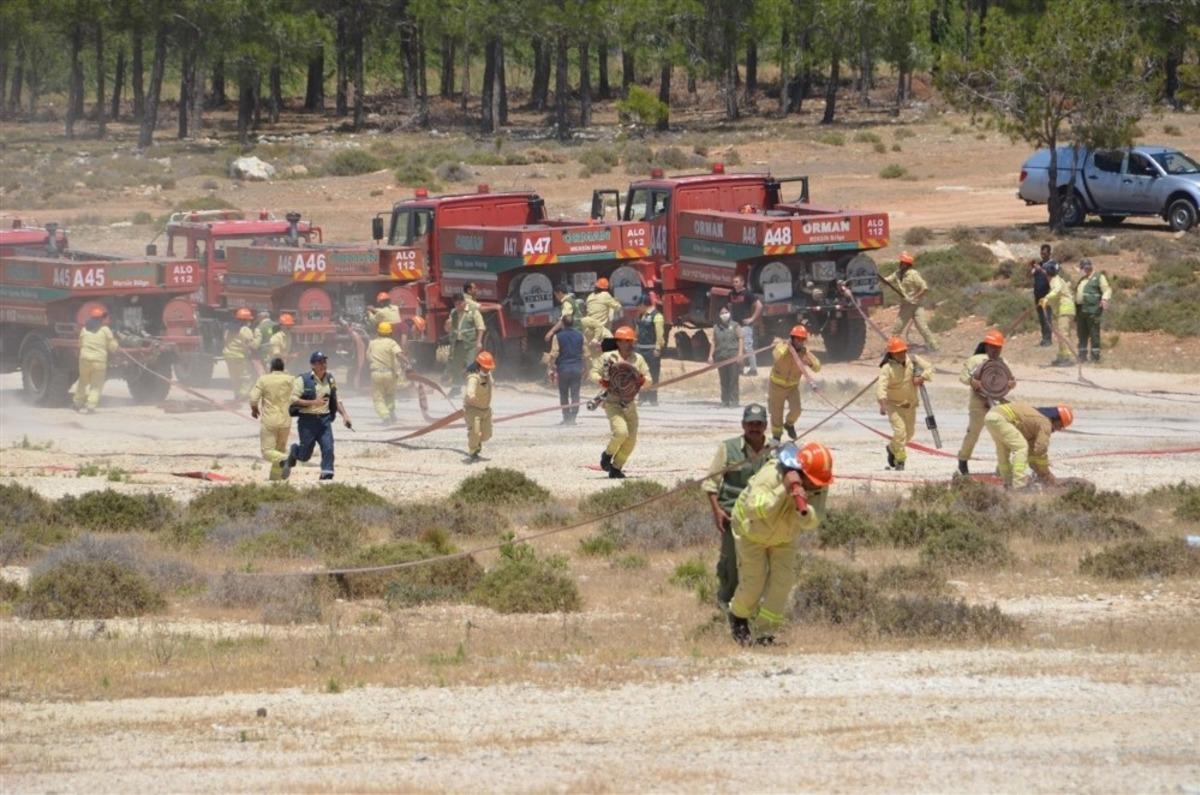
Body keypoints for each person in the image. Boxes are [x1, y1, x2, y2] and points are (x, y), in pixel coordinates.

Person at [728, 441, 833, 646]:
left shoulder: (819, 483)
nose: (818, 487)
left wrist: (803, 510)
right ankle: (738, 617)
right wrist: (783, 490)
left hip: (784, 537)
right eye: (813, 482)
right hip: (751, 532)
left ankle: (764, 633)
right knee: (754, 583)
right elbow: (752, 510)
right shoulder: (771, 475)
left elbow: (814, 519)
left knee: (783, 583)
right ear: (801, 471)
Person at [701, 403, 770, 613]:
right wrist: (717, 511)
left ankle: (757, 605)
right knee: (730, 562)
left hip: (765, 519)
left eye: (759, 424)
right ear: (743, 424)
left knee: (763, 565)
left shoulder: (775, 450)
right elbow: (710, 484)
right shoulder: (727, 448)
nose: (754, 428)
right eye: (750, 424)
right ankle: (725, 603)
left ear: (765, 425)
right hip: (731, 515)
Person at [592, 325, 653, 479]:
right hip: (612, 402)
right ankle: (607, 454)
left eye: (630, 341)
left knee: (631, 440)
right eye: (625, 341)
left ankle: (616, 467)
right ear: (618, 342)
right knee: (621, 433)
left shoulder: (638, 359)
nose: (628, 344)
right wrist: (601, 381)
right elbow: (593, 372)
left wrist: (642, 380)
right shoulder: (608, 357)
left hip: (630, 404)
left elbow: (649, 381)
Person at [956, 328, 1016, 475]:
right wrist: (972, 381)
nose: (996, 350)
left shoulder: (1003, 362)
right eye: (993, 347)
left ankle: (1002, 467)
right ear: (987, 346)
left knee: (1002, 435)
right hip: (978, 404)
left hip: (997, 405)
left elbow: (1009, 379)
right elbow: (963, 376)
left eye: (998, 348)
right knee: (973, 434)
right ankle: (963, 460)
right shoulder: (975, 360)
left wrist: (1011, 384)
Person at [286, 351, 352, 481]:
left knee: (328, 447)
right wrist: (313, 402)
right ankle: (294, 451)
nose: (323, 365)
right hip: (307, 422)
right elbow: (292, 400)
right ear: (312, 365)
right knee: (305, 455)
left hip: (324, 421)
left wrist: (345, 415)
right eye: (319, 362)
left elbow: (335, 398)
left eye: (324, 362)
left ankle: (327, 473)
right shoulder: (302, 380)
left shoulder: (330, 379)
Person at [875, 336, 933, 471]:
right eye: (898, 352)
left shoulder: (913, 360)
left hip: (911, 405)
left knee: (909, 434)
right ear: (891, 354)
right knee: (900, 433)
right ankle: (900, 460)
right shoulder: (887, 368)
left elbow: (930, 368)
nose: (901, 354)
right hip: (894, 406)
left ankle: (892, 448)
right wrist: (882, 404)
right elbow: (881, 386)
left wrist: (922, 377)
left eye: (903, 351)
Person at [984, 402, 1073, 488]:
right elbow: (1040, 450)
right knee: (1021, 447)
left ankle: (1008, 483)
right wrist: (1047, 475)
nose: (1059, 429)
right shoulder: (1045, 423)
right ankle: (1019, 485)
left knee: (1003, 450)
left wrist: (1040, 473)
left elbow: (1032, 455)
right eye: (1060, 426)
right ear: (1057, 418)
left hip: (992, 417)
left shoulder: (1033, 423)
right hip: (1001, 418)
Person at [768, 325, 821, 443]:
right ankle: (776, 437)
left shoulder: (804, 353)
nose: (800, 342)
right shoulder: (782, 347)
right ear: (792, 338)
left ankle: (789, 424)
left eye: (802, 339)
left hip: (792, 387)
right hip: (776, 386)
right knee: (776, 412)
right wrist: (787, 348)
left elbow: (818, 367)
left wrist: (810, 363)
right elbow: (776, 355)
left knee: (796, 410)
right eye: (797, 339)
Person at [249, 357, 296, 480]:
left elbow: (253, 398)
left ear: (271, 367)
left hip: (270, 421)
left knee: (267, 451)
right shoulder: (290, 379)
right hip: (286, 421)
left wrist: (254, 409)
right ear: (283, 368)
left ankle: (286, 459)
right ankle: (275, 480)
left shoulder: (264, 379)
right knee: (279, 450)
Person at [883, 251, 938, 351]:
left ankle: (934, 347)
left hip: (917, 305)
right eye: (901, 262)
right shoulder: (897, 273)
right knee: (897, 328)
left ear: (907, 264)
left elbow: (924, 288)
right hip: (906, 306)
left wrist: (915, 297)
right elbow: (887, 280)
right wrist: (880, 279)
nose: (900, 264)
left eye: (903, 262)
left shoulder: (913, 274)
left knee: (923, 328)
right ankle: (891, 348)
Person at [74, 307, 119, 413]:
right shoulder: (105, 330)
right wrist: (117, 344)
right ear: (101, 319)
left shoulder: (84, 329)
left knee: (82, 381)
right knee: (96, 384)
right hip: (98, 362)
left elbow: (80, 344)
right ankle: (90, 405)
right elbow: (112, 347)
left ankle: (77, 404)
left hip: (84, 360)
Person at [547, 314, 585, 425]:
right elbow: (585, 353)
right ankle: (573, 418)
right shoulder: (580, 335)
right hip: (577, 368)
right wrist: (586, 368)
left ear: (562, 324)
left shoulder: (557, 336)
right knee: (575, 393)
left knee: (563, 394)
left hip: (563, 369)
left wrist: (550, 368)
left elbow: (554, 353)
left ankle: (566, 417)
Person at [444, 293, 484, 395]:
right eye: (456, 304)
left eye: (459, 303)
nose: (458, 306)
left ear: (464, 302)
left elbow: (480, 327)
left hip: (470, 343)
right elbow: (447, 329)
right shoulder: (453, 312)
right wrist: (447, 324)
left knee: (471, 365)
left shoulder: (473, 312)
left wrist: (479, 342)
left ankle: (474, 388)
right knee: (456, 365)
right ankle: (456, 388)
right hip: (457, 343)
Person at [366, 321, 406, 423]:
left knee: (378, 397)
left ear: (378, 332)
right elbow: (399, 354)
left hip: (376, 374)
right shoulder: (392, 343)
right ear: (390, 333)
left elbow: (368, 358)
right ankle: (391, 412)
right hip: (390, 374)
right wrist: (407, 363)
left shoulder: (372, 343)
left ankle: (385, 416)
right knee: (390, 395)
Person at [1039, 260, 1076, 366]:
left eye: (1045, 270)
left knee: (1063, 334)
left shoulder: (1055, 280)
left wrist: (1046, 298)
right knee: (1061, 334)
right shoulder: (1056, 280)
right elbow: (1055, 296)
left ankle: (1067, 358)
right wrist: (1045, 301)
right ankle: (1062, 356)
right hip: (1064, 310)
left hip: (1065, 309)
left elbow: (1056, 291)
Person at [1074, 259, 1111, 363]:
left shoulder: (1099, 277)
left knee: (1094, 333)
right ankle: (1082, 357)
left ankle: (1095, 357)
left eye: (1087, 267)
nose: (1085, 269)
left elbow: (1107, 289)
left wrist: (1104, 299)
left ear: (1090, 266)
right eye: (1083, 267)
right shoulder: (1082, 279)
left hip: (1093, 310)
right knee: (1081, 334)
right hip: (1081, 311)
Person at [727, 275, 762, 376]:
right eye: (733, 282)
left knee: (747, 347)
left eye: (737, 282)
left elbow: (759, 306)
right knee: (736, 347)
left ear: (742, 282)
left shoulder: (748, 294)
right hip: (734, 324)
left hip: (745, 325)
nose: (735, 284)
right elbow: (729, 306)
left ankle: (753, 369)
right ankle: (740, 369)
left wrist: (752, 318)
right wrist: (729, 320)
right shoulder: (731, 294)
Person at [709, 308, 744, 407]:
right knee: (723, 380)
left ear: (730, 313)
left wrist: (740, 354)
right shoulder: (716, 327)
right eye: (722, 313)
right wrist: (710, 355)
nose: (724, 314)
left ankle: (734, 401)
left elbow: (740, 339)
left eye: (726, 312)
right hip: (720, 356)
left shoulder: (735, 325)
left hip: (732, 356)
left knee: (733, 379)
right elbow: (713, 341)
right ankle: (725, 401)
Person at [635, 293, 666, 405]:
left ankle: (653, 399)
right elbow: (637, 332)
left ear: (644, 305)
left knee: (653, 374)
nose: (637, 308)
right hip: (640, 350)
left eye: (639, 306)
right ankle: (642, 397)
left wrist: (658, 348)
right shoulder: (640, 315)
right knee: (640, 374)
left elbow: (660, 335)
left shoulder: (657, 316)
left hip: (651, 350)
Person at [464, 351, 495, 461]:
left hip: (486, 410)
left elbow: (491, 382)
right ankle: (473, 451)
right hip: (474, 411)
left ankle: (476, 441)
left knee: (487, 434)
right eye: (485, 368)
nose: (487, 370)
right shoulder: (473, 378)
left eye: (489, 368)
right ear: (479, 366)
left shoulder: (487, 375)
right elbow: (470, 390)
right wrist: (471, 396)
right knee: (476, 431)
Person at [223, 307, 257, 400]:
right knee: (247, 377)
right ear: (246, 320)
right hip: (240, 357)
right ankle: (243, 395)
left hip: (228, 355)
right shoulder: (245, 329)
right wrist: (257, 340)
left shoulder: (229, 328)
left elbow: (225, 339)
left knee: (234, 377)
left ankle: (237, 394)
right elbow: (251, 344)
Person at [1031, 244, 1056, 347]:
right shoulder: (1040, 264)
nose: (1043, 255)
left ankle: (1048, 339)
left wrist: (1040, 269)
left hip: (1047, 295)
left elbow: (1051, 275)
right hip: (1038, 295)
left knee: (1047, 317)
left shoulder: (1052, 264)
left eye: (1045, 253)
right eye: (1041, 253)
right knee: (1041, 318)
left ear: (1049, 253)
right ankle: (1044, 338)